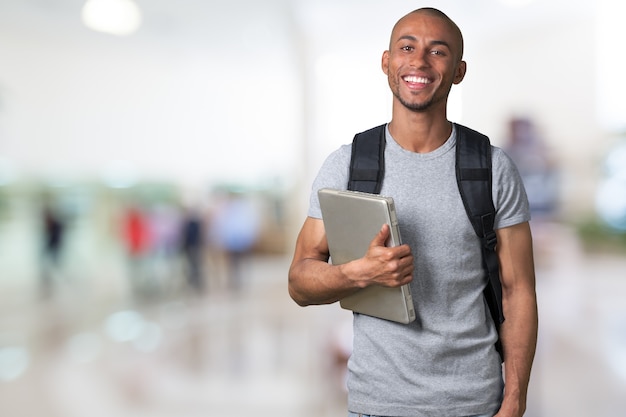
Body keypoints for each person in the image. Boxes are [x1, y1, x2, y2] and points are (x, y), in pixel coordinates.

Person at [288, 8, 538, 417]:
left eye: (437, 51)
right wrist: (358, 273)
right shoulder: (348, 166)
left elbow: (519, 291)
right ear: (387, 62)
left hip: (475, 402)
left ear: (458, 71)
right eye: (407, 47)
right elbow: (299, 282)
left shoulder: (492, 168)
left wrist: (514, 401)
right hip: (377, 403)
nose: (419, 61)